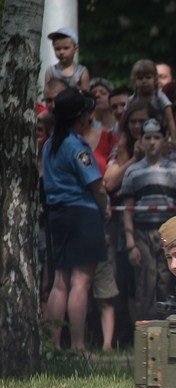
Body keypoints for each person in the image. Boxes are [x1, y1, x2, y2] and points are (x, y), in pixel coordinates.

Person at [42, 88, 109, 351]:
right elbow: (97, 186)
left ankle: (53, 344)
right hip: (81, 213)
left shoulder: (49, 145)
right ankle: (78, 346)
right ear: (79, 117)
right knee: (81, 281)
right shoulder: (76, 146)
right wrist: (103, 209)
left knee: (60, 281)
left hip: (56, 213)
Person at [121, 118, 176, 321]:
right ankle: (144, 326)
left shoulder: (174, 169)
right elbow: (127, 209)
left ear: (164, 140)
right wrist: (131, 244)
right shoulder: (133, 171)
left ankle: (166, 325)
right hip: (142, 231)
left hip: (167, 232)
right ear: (141, 141)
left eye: (157, 137)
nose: (152, 142)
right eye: (148, 137)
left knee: (165, 279)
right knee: (146, 279)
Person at [128, 59, 176, 140]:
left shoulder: (160, 98)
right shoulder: (132, 100)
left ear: (155, 79)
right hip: (138, 135)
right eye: (140, 78)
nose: (144, 81)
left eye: (148, 77)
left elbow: (170, 120)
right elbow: (124, 120)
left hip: (160, 134)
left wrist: (174, 139)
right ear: (134, 81)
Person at [45, 27, 89, 92]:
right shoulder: (51, 72)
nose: (61, 52)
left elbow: (86, 94)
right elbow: (47, 93)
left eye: (66, 48)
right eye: (57, 49)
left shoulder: (81, 72)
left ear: (75, 48)